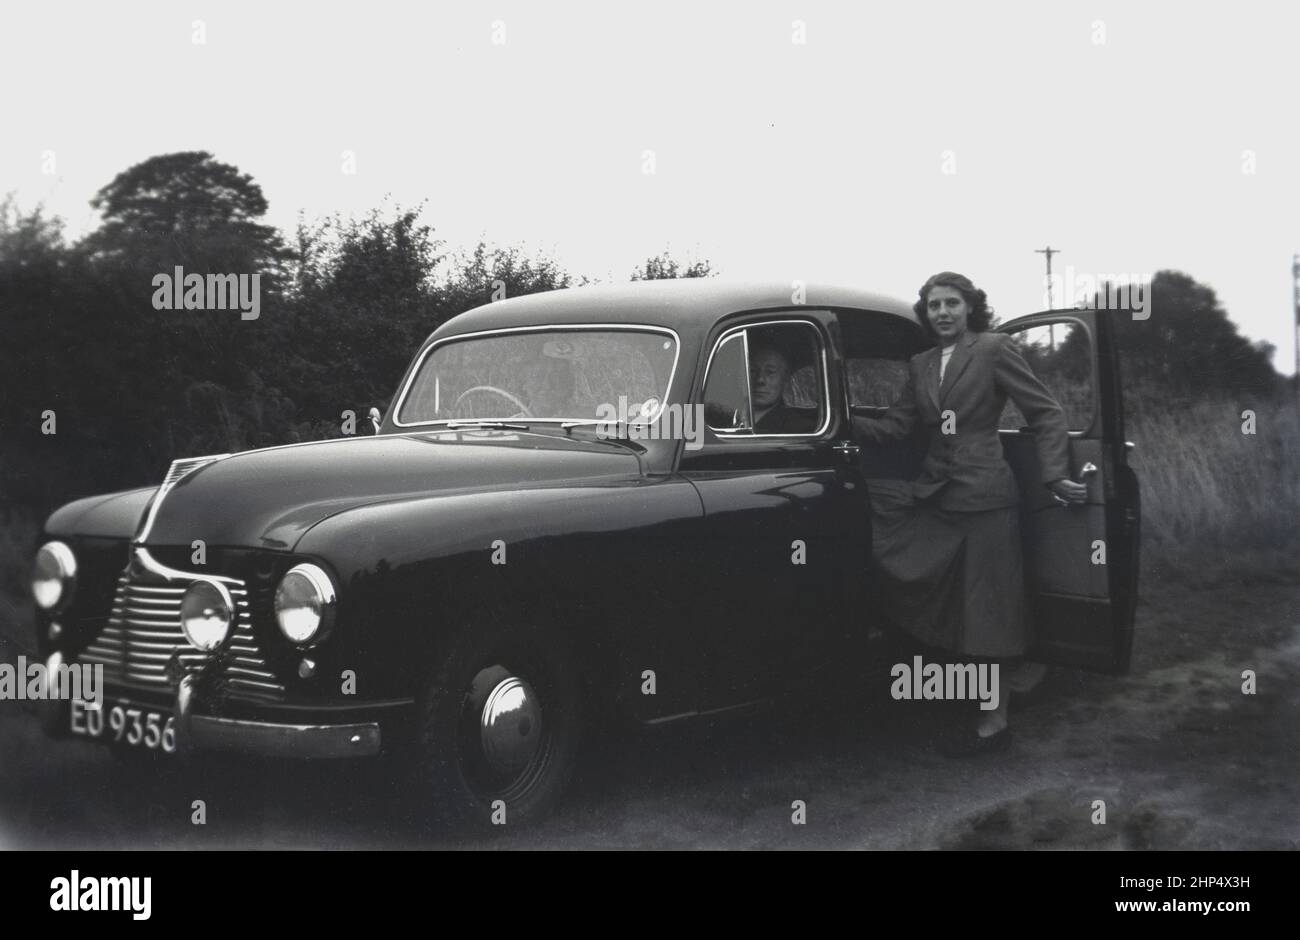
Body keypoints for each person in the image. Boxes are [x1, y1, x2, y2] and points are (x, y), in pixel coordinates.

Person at [853, 271, 1086, 754]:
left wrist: (1055, 474)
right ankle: (956, 689)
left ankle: (994, 722)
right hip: (936, 499)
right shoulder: (919, 364)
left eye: (952, 303)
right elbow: (898, 426)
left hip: (986, 500)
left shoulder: (994, 349)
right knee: (888, 538)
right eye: (934, 304)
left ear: (969, 307)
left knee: (989, 613)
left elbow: (1045, 413)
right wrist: (836, 418)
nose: (942, 312)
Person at [749, 344, 819, 434]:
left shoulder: (799, 429)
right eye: (752, 371)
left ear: (785, 380)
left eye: (770, 372)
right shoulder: (730, 418)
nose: (760, 380)